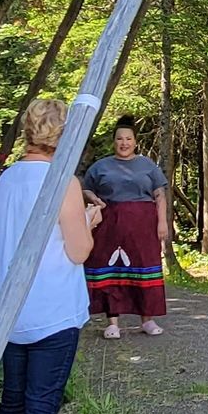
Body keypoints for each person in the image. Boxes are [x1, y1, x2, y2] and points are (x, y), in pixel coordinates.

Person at [0, 98, 104, 414]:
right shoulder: (63, 182)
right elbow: (78, 250)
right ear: (64, 135)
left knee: (12, 403)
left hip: (10, 311)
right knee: (40, 409)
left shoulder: (7, 178)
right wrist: (90, 220)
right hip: (52, 309)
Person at [80, 119, 171, 340]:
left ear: (135, 142)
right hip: (109, 225)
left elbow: (160, 195)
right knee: (109, 268)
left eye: (128, 139)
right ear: (113, 142)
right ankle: (112, 322)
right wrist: (94, 198)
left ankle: (147, 319)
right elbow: (84, 189)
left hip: (143, 225)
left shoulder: (148, 165)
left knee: (144, 266)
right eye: (119, 139)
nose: (124, 143)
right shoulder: (101, 166)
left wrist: (162, 222)